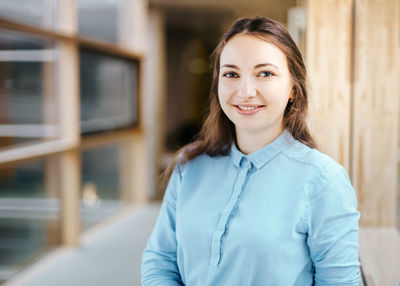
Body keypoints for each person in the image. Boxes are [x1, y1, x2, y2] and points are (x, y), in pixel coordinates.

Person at [141, 16, 361, 286]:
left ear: (293, 88)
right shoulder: (190, 165)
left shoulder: (324, 180)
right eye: (231, 74)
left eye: (265, 73)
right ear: (218, 84)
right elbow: (160, 260)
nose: (245, 91)